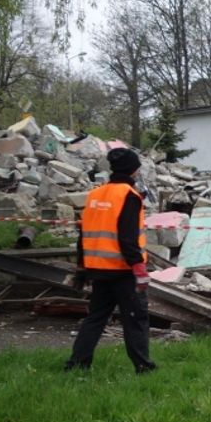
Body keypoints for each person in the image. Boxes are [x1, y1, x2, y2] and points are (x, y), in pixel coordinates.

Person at [64, 147, 156, 374]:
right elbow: (127, 238)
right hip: (123, 270)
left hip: (98, 268)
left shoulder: (95, 195)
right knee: (135, 319)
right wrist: (139, 268)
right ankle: (143, 366)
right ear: (134, 170)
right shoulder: (129, 196)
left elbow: (83, 235)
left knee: (95, 318)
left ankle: (77, 364)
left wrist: (81, 267)